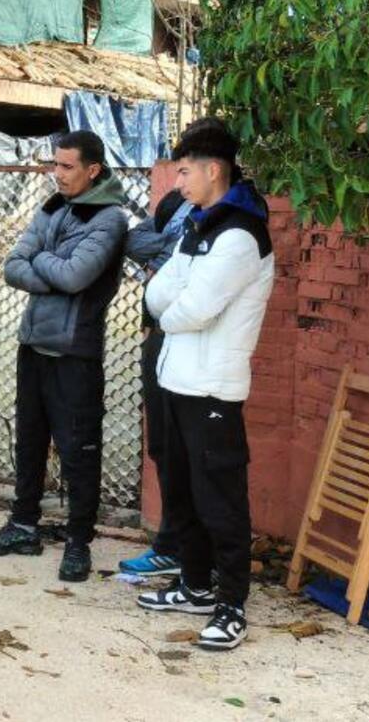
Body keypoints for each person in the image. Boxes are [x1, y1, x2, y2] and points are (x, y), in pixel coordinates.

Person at [135, 122, 274, 652]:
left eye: (185, 169)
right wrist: (175, 305)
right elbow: (160, 292)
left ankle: (232, 604)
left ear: (214, 169)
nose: (178, 179)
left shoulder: (240, 233)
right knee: (184, 490)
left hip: (212, 388)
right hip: (175, 380)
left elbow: (189, 309)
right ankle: (194, 583)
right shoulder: (198, 224)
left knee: (221, 499)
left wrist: (174, 307)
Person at [0, 130, 129, 583]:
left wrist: (43, 260)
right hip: (34, 343)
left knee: (78, 448)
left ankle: (79, 540)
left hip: (75, 350)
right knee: (29, 439)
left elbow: (76, 275)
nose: (56, 174)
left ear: (92, 170)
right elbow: (10, 265)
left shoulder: (110, 218)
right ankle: (23, 524)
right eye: (54, 165)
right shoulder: (51, 206)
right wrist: (51, 265)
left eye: (66, 167)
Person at [118, 134, 198, 578]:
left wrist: (166, 258)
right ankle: (170, 542)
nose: (178, 178)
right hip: (157, 333)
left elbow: (193, 272)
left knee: (192, 448)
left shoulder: (227, 216)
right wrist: (169, 253)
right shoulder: (173, 205)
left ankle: (190, 549)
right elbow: (135, 242)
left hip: (189, 339)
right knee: (163, 444)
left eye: (185, 169)